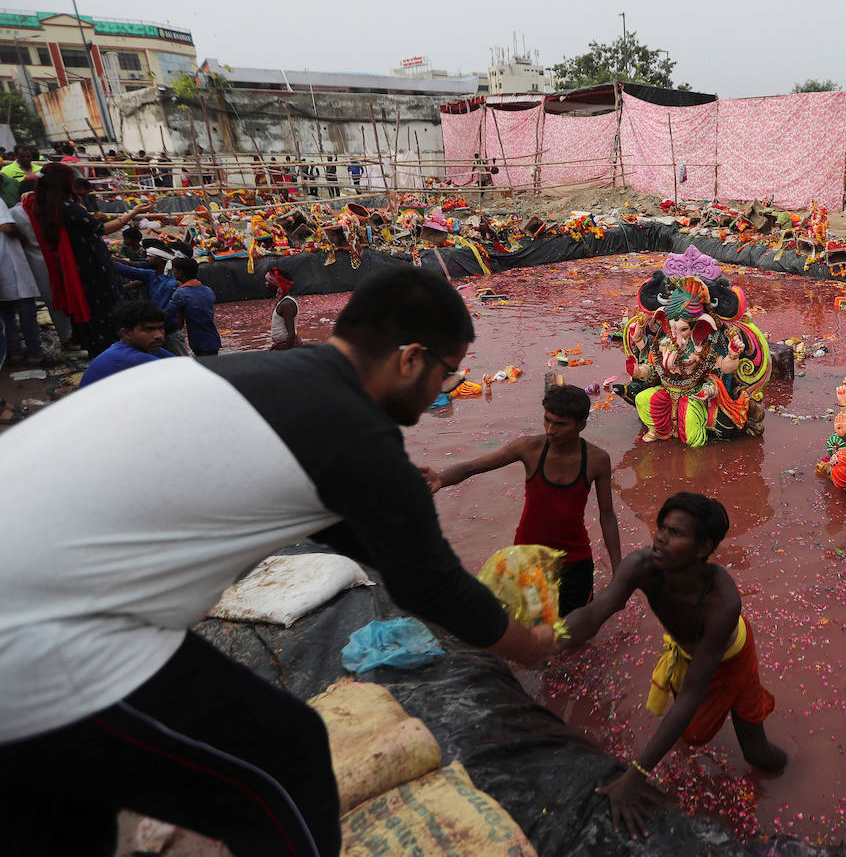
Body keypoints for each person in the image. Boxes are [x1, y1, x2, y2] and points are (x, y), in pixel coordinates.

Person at [0, 266, 557, 855]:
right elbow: (432, 587)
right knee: (287, 761)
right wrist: (533, 643)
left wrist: (389, 498)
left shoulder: (261, 378)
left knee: (63, 810)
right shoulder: (355, 430)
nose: (442, 387)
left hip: (39, 582)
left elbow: (363, 537)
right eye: (448, 371)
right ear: (411, 358)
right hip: (43, 630)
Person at [561, 492, 787, 837]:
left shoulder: (723, 601)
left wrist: (634, 776)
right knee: (689, 733)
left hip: (732, 659)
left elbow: (695, 690)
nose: (660, 538)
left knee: (757, 754)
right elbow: (595, 612)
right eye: (661, 528)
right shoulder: (642, 566)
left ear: (702, 548)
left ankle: (796, 765)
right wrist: (547, 637)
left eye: (675, 533)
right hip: (688, 653)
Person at [429, 384, 622, 614]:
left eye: (560, 424)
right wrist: (440, 479)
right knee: (529, 626)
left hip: (575, 560)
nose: (550, 429)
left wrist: (618, 572)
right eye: (547, 420)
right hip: (527, 557)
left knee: (576, 633)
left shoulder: (597, 460)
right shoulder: (529, 448)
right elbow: (473, 467)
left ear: (581, 425)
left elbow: (607, 515)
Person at [22, 163, 153, 357]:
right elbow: (101, 228)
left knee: (97, 310)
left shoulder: (47, 204)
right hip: (91, 266)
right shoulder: (66, 207)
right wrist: (132, 213)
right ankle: (110, 353)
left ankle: (101, 349)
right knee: (104, 310)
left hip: (81, 264)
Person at [8, 182, 74, 349]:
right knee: (59, 299)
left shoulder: (14, 213)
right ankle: (68, 337)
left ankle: (32, 343)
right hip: (54, 258)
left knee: (41, 302)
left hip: (30, 261)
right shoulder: (49, 208)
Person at [78, 299, 175, 387]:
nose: (159, 335)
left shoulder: (145, 346)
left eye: (161, 328)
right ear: (126, 333)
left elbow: (182, 364)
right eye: (149, 329)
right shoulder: (130, 358)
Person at [115, 249, 188, 356]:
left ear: (160, 259)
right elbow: (128, 270)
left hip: (170, 333)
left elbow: (170, 310)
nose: (147, 259)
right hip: (156, 330)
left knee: (181, 364)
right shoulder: (152, 275)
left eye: (150, 256)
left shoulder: (171, 282)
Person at [0, 197, 44, 366]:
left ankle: (15, 351)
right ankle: (34, 353)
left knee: (6, 315)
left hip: (5, 266)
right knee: (25, 311)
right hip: (9, 263)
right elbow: (6, 226)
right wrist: (22, 236)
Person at [165, 257, 221, 357]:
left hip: (198, 340)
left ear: (180, 272)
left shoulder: (181, 293)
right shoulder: (208, 290)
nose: (173, 272)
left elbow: (167, 313)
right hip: (213, 338)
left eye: (174, 269)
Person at [265, 265, 302, 351]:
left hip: (287, 347)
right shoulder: (282, 302)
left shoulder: (287, 304)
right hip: (282, 345)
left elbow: (291, 333)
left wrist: (286, 355)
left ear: (277, 284)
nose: (266, 283)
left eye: (268, 281)